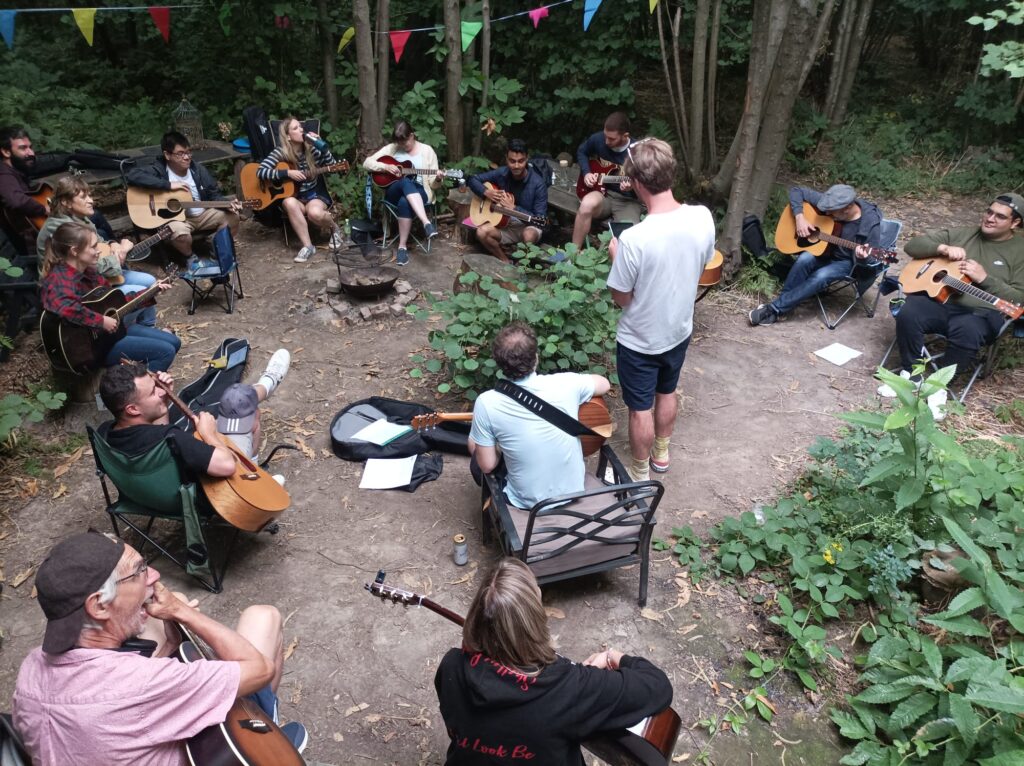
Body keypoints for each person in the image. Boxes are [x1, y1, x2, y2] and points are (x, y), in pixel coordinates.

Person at [12, 530, 308, 764]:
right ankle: (263, 734)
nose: (153, 575)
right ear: (99, 605)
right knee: (263, 617)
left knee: (158, 626)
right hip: (212, 753)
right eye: (139, 571)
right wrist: (183, 612)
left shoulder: (31, 670)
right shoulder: (141, 684)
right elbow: (259, 669)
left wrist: (171, 640)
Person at [434, 557, 673, 765]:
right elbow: (658, 687)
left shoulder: (451, 666)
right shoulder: (569, 690)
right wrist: (612, 657)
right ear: (534, 623)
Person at [606, 138, 714, 482]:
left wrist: (616, 258)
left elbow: (621, 298)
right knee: (667, 391)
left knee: (640, 409)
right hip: (679, 329)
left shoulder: (634, 239)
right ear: (671, 173)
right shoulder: (702, 217)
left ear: (636, 183)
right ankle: (661, 454)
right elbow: (703, 265)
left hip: (640, 339)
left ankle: (639, 474)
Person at [884, 192, 1024, 391]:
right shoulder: (963, 234)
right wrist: (942, 248)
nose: (990, 219)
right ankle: (910, 375)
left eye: (1000, 216)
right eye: (989, 212)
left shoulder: (1020, 251)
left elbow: (1019, 297)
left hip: (981, 314)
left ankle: (937, 388)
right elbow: (912, 246)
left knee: (968, 330)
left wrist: (985, 279)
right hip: (942, 303)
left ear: (1015, 223)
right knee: (910, 310)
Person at [468, 322, 609, 509]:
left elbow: (487, 465)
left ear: (498, 362)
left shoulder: (486, 402)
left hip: (527, 503)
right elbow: (604, 384)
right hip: (574, 490)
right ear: (536, 357)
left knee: (474, 443)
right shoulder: (566, 383)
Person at [96, 350, 290, 477]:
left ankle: (267, 384)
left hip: (157, 495)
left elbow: (158, 435)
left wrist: (163, 402)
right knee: (249, 411)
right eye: (153, 392)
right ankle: (254, 481)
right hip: (209, 497)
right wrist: (208, 434)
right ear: (132, 409)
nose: (161, 392)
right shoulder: (172, 438)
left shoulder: (104, 435)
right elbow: (226, 465)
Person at [40, 222, 180, 372]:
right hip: (87, 349)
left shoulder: (89, 271)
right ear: (74, 251)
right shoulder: (58, 279)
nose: (99, 251)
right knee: (165, 352)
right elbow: (66, 308)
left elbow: (115, 301)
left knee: (174, 342)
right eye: (93, 246)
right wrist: (100, 321)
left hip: (109, 335)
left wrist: (151, 291)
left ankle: (137, 375)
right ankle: (134, 385)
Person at [748, 183, 883, 326]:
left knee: (821, 275)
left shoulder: (870, 224)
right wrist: (800, 218)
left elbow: (871, 261)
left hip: (847, 262)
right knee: (804, 258)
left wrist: (862, 258)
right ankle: (785, 305)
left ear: (847, 208)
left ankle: (775, 309)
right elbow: (796, 191)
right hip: (825, 251)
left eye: (832, 211)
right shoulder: (834, 202)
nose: (828, 213)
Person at [37, 176, 158, 326]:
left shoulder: (79, 218)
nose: (91, 200)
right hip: (82, 287)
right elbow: (88, 267)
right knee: (143, 290)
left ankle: (146, 326)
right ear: (65, 202)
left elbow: (99, 243)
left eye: (89, 195)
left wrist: (113, 244)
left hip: (99, 275)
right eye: (83, 197)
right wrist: (120, 255)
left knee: (150, 281)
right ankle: (122, 329)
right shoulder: (61, 229)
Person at [126, 131, 242, 262]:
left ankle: (217, 250)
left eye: (188, 152)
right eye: (180, 154)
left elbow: (214, 194)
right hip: (179, 220)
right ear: (167, 155)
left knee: (233, 217)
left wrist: (226, 204)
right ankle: (190, 257)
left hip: (203, 215)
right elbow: (132, 175)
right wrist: (168, 185)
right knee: (179, 232)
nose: (186, 157)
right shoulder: (159, 170)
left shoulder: (198, 170)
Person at [256, 117, 343, 263]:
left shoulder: (312, 149)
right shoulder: (281, 153)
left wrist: (322, 147)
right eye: (296, 128)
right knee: (288, 202)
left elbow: (333, 165)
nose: (301, 130)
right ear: (288, 136)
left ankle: (335, 229)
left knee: (314, 213)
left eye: (301, 127)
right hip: (296, 197)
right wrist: (287, 173)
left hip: (314, 195)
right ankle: (308, 246)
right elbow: (260, 171)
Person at [363, 120, 442, 266]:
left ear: (412, 135)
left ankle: (402, 247)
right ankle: (426, 222)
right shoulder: (392, 148)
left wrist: (437, 179)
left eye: (404, 142)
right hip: (394, 191)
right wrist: (385, 167)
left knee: (405, 201)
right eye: (399, 142)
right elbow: (367, 163)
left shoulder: (427, 151)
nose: (402, 145)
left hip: (419, 192)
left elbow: (433, 185)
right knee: (405, 182)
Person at [465, 139, 548, 263]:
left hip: (527, 225)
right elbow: (473, 179)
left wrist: (514, 208)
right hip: (504, 222)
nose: (516, 166)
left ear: (527, 159)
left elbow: (539, 218)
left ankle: (522, 265)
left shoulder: (538, 184)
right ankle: (505, 261)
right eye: (512, 161)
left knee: (529, 235)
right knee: (481, 232)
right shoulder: (502, 173)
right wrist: (486, 192)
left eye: (521, 161)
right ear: (506, 158)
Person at [571, 112, 645, 250]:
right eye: (605, 136)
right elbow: (582, 151)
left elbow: (647, 185)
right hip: (602, 192)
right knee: (586, 205)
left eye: (612, 139)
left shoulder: (638, 152)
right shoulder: (598, 139)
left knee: (629, 235)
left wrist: (633, 187)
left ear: (625, 136)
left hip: (627, 201)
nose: (606, 142)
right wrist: (587, 173)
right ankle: (573, 254)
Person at [0, 125, 49, 253]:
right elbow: (15, 200)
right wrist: (44, 209)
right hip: (30, 244)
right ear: (6, 152)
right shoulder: (3, 174)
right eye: (23, 148)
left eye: (30, 147)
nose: (31, 153)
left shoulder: (16, 170)